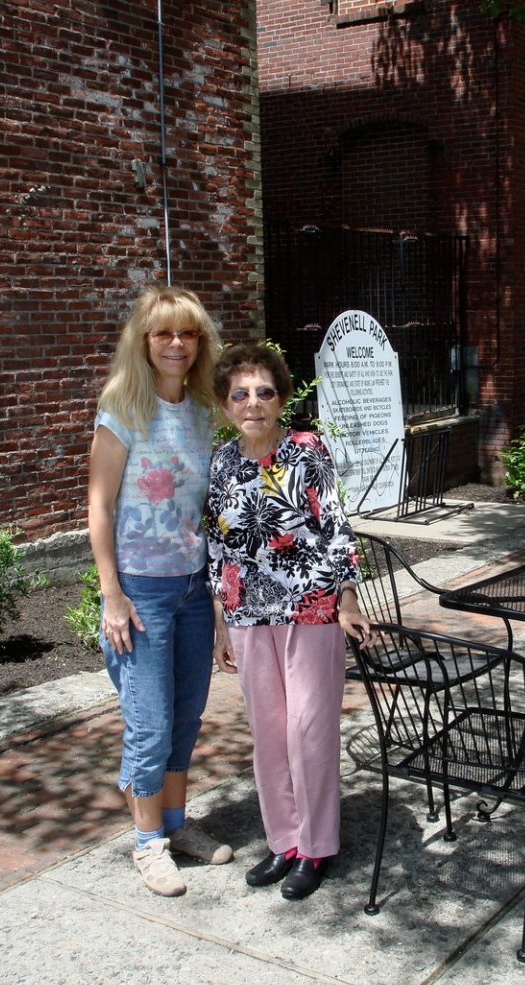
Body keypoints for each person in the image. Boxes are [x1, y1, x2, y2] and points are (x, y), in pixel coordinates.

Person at [207, 341, 373, 901]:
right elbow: (217, 547)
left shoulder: (307, 450)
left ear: (280, 399)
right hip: (248, 615)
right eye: (241, 394)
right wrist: (220, 621)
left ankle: (317, 845)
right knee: (270, 735)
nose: (253, 403)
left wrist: (347, 597)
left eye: (264, 392)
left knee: (308, 730)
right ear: (226, 404)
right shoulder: (222, 461)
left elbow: (337, 525)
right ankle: (283, 841)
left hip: (311, 609)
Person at [88, 284, 233, 898]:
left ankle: (174, 826)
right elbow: (97, 506)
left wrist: (222, 607)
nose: (177, 343)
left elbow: (211, 508)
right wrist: (111, 594)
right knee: (148, 725)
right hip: (141, 593)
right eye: (164, 333)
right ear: (144, 342)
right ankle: (146, 846)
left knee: (184, 718)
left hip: (193, 589)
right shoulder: (122, 409)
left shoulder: (203, 412)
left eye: (188, 333)